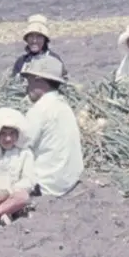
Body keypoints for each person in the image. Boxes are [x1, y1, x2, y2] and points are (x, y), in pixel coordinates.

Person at [21, 56, 83, 196]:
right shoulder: (64, 106)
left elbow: (22, 144)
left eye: (29, 80)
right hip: (68, 181)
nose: (27, 85)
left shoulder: (40, 109)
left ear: (39, 81)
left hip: (47, 184)